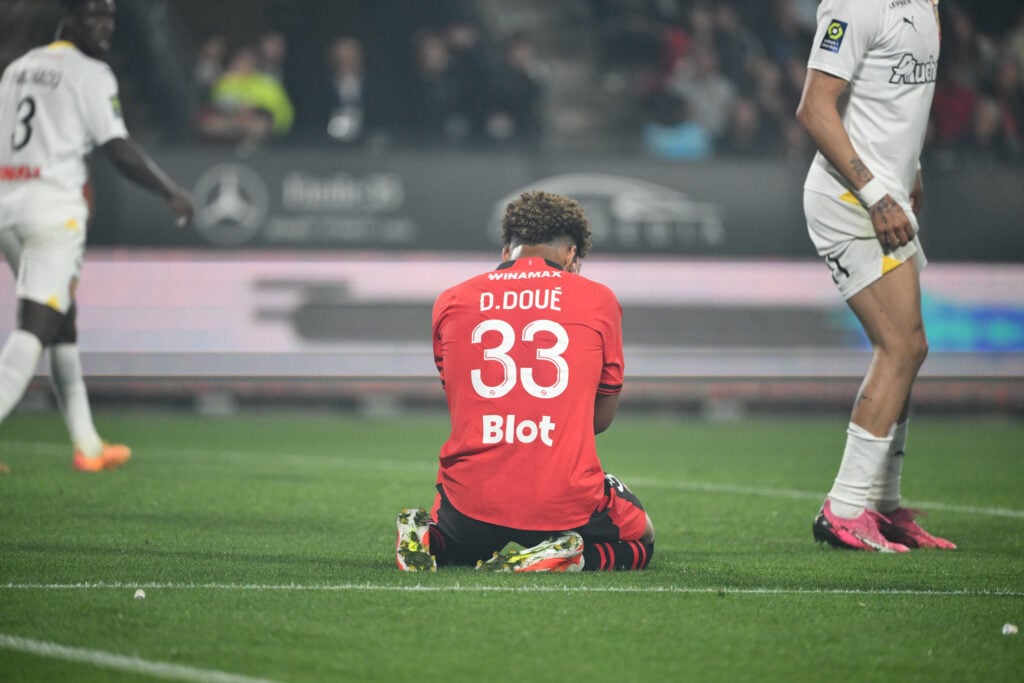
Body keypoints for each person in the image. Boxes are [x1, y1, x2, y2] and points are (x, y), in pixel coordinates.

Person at [395, 191, 655, 573]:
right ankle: (573, 556)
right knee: (641, 539)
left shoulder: (452, 300)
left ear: (506, 251)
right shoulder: (598, 300)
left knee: (453, 548)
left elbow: (462, 404)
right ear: (570, 254)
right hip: (562, 498)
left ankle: (427, 538)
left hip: (471, 499)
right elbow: (599, 420)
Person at [0, 0, 193, 471]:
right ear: (70, 18)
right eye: (95, 16)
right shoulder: (91, 74)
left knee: (62, 321)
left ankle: (87, 444)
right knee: (36, 326)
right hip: (54, 215)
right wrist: (171, 192)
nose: (106, 26)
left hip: (8, 206)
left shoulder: (19, 68)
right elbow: (118, 148)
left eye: (110, 17)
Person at [796, 0, 955, 551]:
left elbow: (897, 103)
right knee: (902, 347)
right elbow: (814, 108)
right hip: (851, 198)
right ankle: (843, 509)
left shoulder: (928, 5)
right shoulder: (856, 4)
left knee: (909, 348)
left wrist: (910, 171)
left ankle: (883, 505)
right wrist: (873, 193)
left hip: (888, 192)